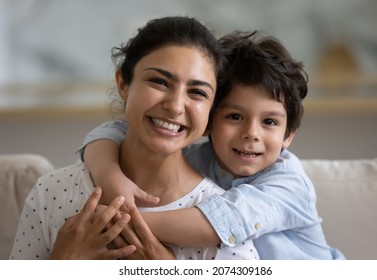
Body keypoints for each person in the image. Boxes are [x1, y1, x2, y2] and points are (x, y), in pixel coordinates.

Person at [9, 16, 259, 260]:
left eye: (196, 92)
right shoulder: (51, 192)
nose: (175, 106)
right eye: (159, 82)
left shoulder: (223, 226)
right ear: (123, 84)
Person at [79, 31, 345, 259]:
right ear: (208, 123)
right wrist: (109, 175)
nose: (251, 133)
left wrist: (118, 221)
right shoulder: (195, 158)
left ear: (289, 135)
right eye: (234, 117)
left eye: (270, 122)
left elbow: (223, 222)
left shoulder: (289, 183)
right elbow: (119, 130)